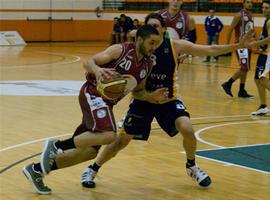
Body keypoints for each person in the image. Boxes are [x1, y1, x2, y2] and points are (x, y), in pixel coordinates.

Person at [77, 13, 254, 189]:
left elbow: (209, 50)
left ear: (163, 29)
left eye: (157, 27)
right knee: (121, 141)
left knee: (187, 128)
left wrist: (237, 45)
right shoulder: (137, 50)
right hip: (144, 99)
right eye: (151, 27)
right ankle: (93, 168)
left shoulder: (175, 46)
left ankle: (191, 166)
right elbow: (133, 86)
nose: (154, 30)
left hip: (168, 99)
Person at [21, 24, 160, 195]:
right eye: (151, 43)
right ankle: (56, 145)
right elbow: (89, 62)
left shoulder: (147, 64)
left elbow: (138, 92)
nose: (154, 48)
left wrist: (151, 97)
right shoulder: (120, 50)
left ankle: (36, 170)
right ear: (140, 40)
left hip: (106, 104)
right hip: (92, 93)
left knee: (88, 152)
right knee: (109, 135)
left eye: (156, 44)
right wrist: (98, 69)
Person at [221, 0, 254, 98]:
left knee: (245, 68)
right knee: (244, 67)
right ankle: (228, 84)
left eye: (251, 2)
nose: (250, 4)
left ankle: (241, 90)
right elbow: (230, 29)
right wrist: (227, 45)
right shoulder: (239, 15)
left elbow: (250, 29)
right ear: (243, 3)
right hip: (241, 45)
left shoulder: (250, 15)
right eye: (248, 2)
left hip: (248, 44)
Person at [250, 0, 270, 115]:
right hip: (264, 53)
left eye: (267, 8)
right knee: (257, 80)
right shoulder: (266, 20)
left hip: (268, 55)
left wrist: (256, 44)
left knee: (262, 80)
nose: (264, 10)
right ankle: (263, 106)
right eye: (263, 7)